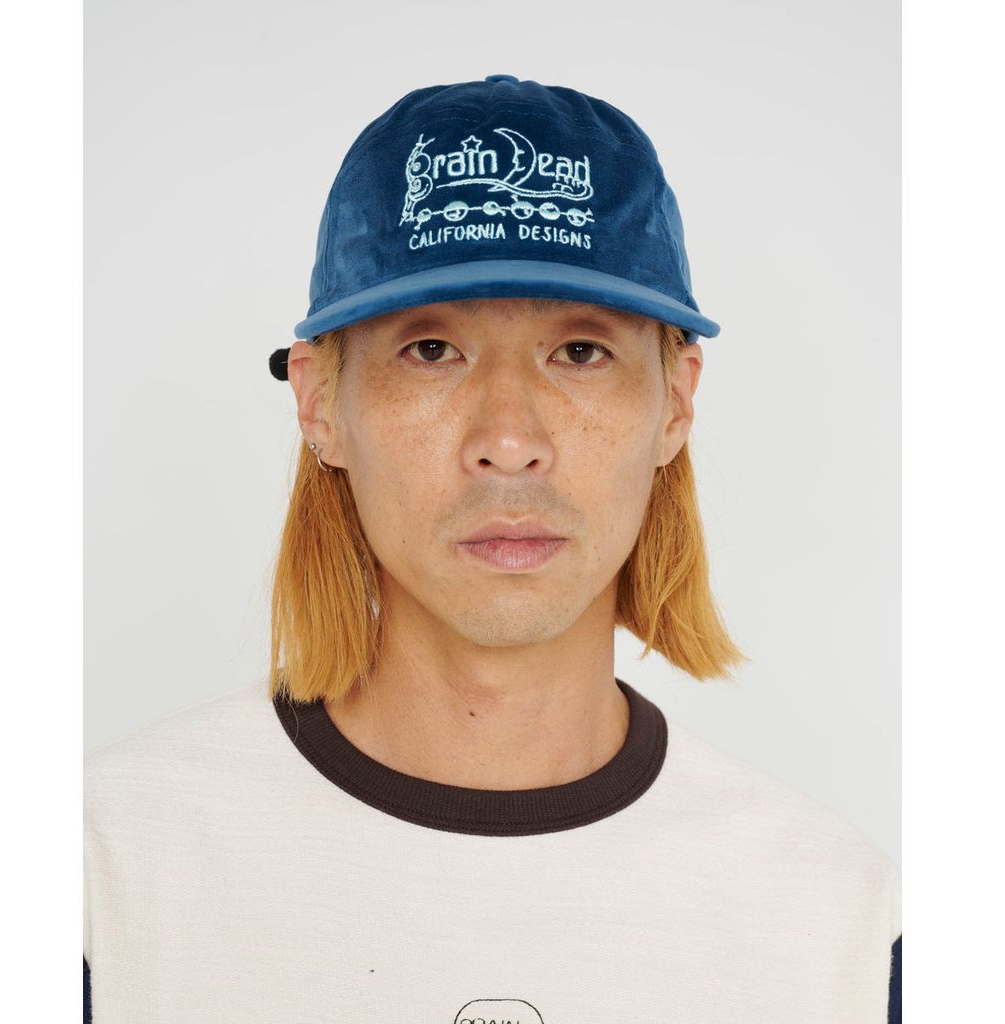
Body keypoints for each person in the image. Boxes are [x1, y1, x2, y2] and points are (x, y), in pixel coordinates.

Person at [84, 74, 902, 1022]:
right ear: (318, 403)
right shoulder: (99, 881)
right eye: (431, 350)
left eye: (581, 351)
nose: (509, 441)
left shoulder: (840, 934)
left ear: (676, 402)